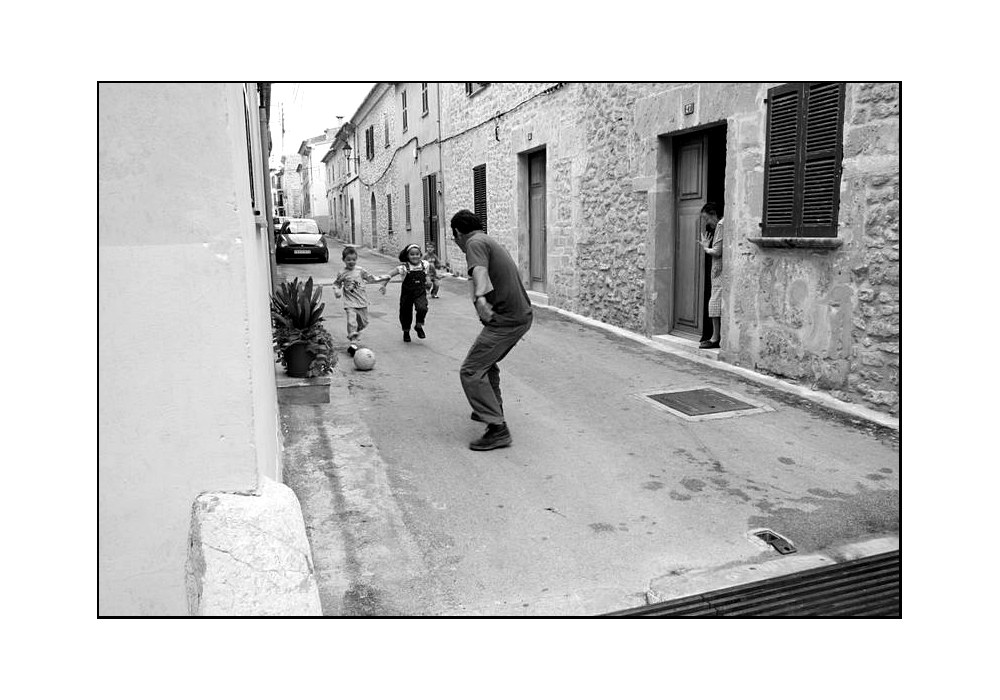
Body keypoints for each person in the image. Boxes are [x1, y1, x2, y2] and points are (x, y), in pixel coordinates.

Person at [451, 209, 533, 451]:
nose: (455, 243)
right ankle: (489, 410)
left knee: (471, 370)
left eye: (453, 237)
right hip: (518, 317)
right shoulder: (488, 240)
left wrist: (481, 297)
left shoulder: (474, 242)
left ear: (457, 232)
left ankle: (497, 428)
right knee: (486, 364)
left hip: (506, 321)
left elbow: (480, 271)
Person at [331, 246, 388, 342]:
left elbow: (370, 278)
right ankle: (352, 337)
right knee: (351, 320)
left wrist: (381, 278)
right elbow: (337, 284)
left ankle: (357, 331)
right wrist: (337, 291)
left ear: (356, 259)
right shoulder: (342, 273)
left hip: (362, 301)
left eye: (353, 259)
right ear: (343, 260)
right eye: (348, 260)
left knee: (364, 323)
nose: (351, 262)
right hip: (349, 302)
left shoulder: (360, 270)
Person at [380, 244, 434, 342]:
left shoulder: (424, 264)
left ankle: (418, 325)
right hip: (407, 294)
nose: (415, 256)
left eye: (417, 254)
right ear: (407, 256)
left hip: (420, 292)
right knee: (405, 313)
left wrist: (429, 281)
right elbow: (389, 274)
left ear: (420, 254)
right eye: (412, 254)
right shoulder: (404, 268)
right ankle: (406, 332)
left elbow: (426, 274)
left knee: (422, 308)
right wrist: (383, 285)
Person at [698, 202, 723, 349]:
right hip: (719, 270)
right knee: (716, 303)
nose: (707, 223)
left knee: (714, 303)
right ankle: (716, 336)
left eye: (707, 219)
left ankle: (715, 338)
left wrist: (706, 248)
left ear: (713, 214)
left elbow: (717, 251)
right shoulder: (722, 224)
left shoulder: (720, 225)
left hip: (719, 271)